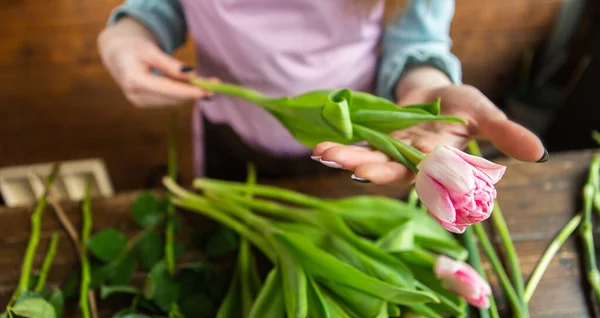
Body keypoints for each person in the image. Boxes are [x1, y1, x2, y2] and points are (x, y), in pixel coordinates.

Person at [98, 0, 547, 184]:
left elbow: (415, 41)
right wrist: (133, 29)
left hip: (354, 146)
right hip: (227, 129)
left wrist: (427, 87)